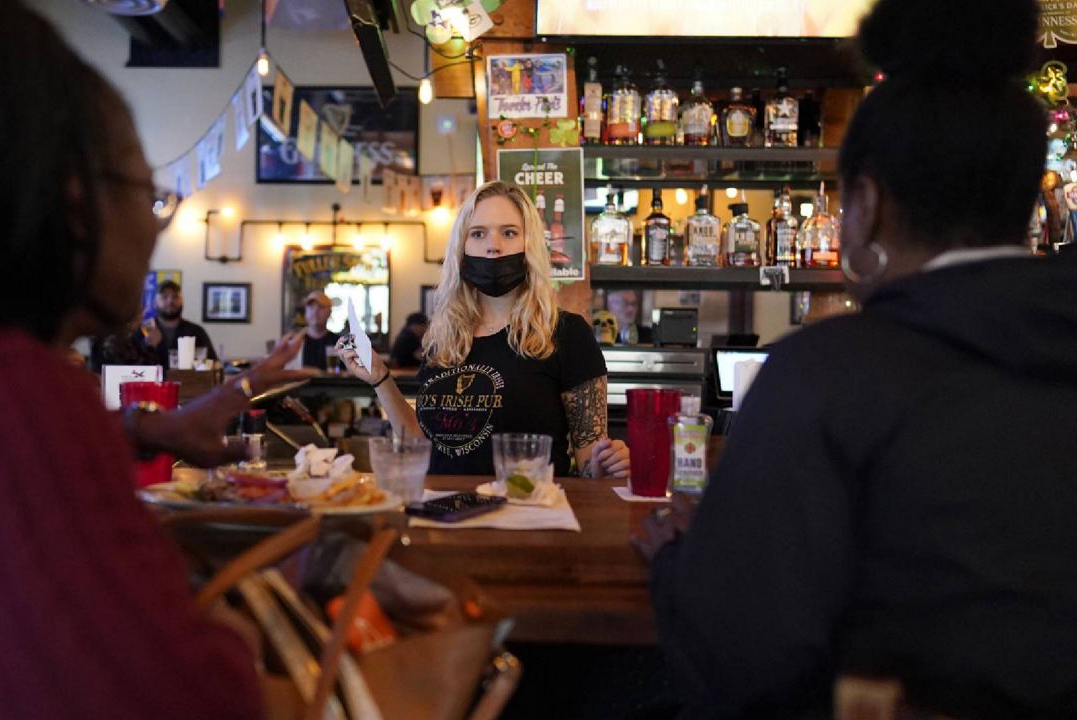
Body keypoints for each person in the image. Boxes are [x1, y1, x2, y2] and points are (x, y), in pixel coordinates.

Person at [0, 1, 308, 715]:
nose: (156, 231)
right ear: (73, 200)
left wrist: (135, 433)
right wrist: (248, 625)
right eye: (152, 196)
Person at [638, 1, 1077, 717]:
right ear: (1027, 198)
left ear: (866, 205)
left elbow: (740, 666)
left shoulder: (824, 377)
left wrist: (674, 562)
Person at [339, 181, 630, 478]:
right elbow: (422, 445)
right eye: (478, 233)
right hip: (444, 515)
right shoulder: (445, 335)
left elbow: (590, 463)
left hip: (527, 515)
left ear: (529, 244)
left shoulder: (567, 334)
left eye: (509, 232)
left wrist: (608, 464)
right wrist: (380, 378)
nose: (493, 245)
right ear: (462, 248)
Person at [136, 279, 219, 369]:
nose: (170, 301)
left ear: (182, 301)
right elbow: (129, 366)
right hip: (150, 382)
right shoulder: (143, 330)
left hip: (187, 382)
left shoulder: (196, 331)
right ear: (155, 302)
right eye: (164, 297)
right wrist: (149, 346)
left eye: (175, 297)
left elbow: (213, 363)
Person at [299, 290, 340, 370]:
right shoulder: (294, 342)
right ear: (305, 312)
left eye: (321, 307)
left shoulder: (338, 342)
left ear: (330, 312)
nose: (315, 311)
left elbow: (348, 373)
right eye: (311, 307)